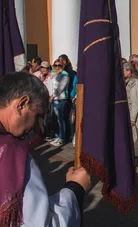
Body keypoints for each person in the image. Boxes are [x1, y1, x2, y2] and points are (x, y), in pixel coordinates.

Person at [0, 72, 91, 227]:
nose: (36, 127)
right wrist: (74, 188)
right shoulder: (11, 155)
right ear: (22, 104)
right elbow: (40, 223)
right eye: (37, 117)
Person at [123, 63, 138, 158]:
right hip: (130, 114)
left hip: (135, 116)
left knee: (137, 138)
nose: (122, 72)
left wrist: (132, 118)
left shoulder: (135, 83)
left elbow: (135, 101)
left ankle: (137, 156)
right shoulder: (128, 82)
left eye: (124, 70)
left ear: (129, 71)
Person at [48, 59, 70, 147]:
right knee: (57, 119)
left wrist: (53, 95)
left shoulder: (65, 74)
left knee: (61, 120)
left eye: (59, 65)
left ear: (63, 66)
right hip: (54, 99)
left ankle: (62, 138)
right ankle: (59, 136)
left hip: (61, 99)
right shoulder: (53, 73)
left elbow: (61, 87)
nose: (57, 67)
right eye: (55, 65)